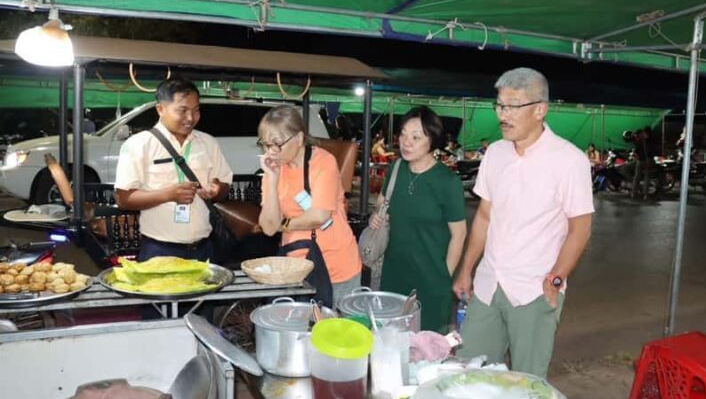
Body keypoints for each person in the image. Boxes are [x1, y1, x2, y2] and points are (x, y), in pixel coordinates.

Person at [452, 67, 594, 377]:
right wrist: (466, 270)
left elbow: (580, 228)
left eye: (513, 106)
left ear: (540, 109)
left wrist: (556, 278)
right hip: (489, 283)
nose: (503, 114)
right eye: (500, 105)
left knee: (527, 382)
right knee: (469, 370)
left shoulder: (569, 161)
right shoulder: (496, 154)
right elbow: (485, 216)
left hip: (534, 289)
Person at [370, 107, 467, 332]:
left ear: (432, 141)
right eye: (403, 134)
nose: (406, 142)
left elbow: (459, 234)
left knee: (427, 350)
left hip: (431, 281)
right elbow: (381, 204)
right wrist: (377, 217)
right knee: (391, 344)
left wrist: (444, 277)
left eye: (416, 137)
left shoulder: (447, 181)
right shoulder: (396, 169)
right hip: (393, 276)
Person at [115, 78, 232, 261]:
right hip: (159, 250)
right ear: (160, 109)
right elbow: (123, 198)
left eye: (196, 110)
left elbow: (224, 185)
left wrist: (217, 189)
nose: (191, 118)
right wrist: (168, 194)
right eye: (182, 110)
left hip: (204, 248)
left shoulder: (208, 142)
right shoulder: (139, 144)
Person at [257, 105, 362, 306]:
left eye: (277, 144)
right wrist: (271, 178)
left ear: (298, 138)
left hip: (336, 266)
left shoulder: (323, 162)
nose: (271, 151)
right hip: (296, 267)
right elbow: (269, 227)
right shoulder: (273, 168)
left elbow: (319, 216)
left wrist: (284, 224)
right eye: (265, 144)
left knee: (337, 333)